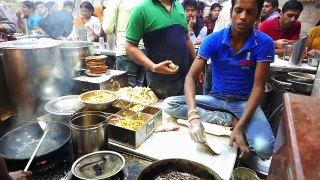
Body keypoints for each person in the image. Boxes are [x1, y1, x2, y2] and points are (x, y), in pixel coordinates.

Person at [163, 0, 275, 162]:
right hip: (215, 99)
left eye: (250, 12)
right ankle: (228, 118)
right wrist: (193, 116)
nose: (243, 17)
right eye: (238, 10)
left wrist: (240, 127)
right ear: (231, 13)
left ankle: (236, 119)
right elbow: (190, 77)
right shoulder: (213, 40)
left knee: (264, 149)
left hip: (244, 102)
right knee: (169, 104)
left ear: (258, 16)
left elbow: (258, 87)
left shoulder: (264, 43)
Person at [126, 0, 196, 99]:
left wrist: (195, 65)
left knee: (187, 111)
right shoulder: (141, 10)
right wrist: (153, 66)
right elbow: (130, 47)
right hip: (160, 82)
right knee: (163, 112)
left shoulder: (178, 6)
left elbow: (187, 38)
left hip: (186, 78)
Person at [103, 0, 146, 87]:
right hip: (145, 50)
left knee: (127, 92)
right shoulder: (147, 2)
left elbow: (107, 28)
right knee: (142, 91)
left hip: (125, 49)